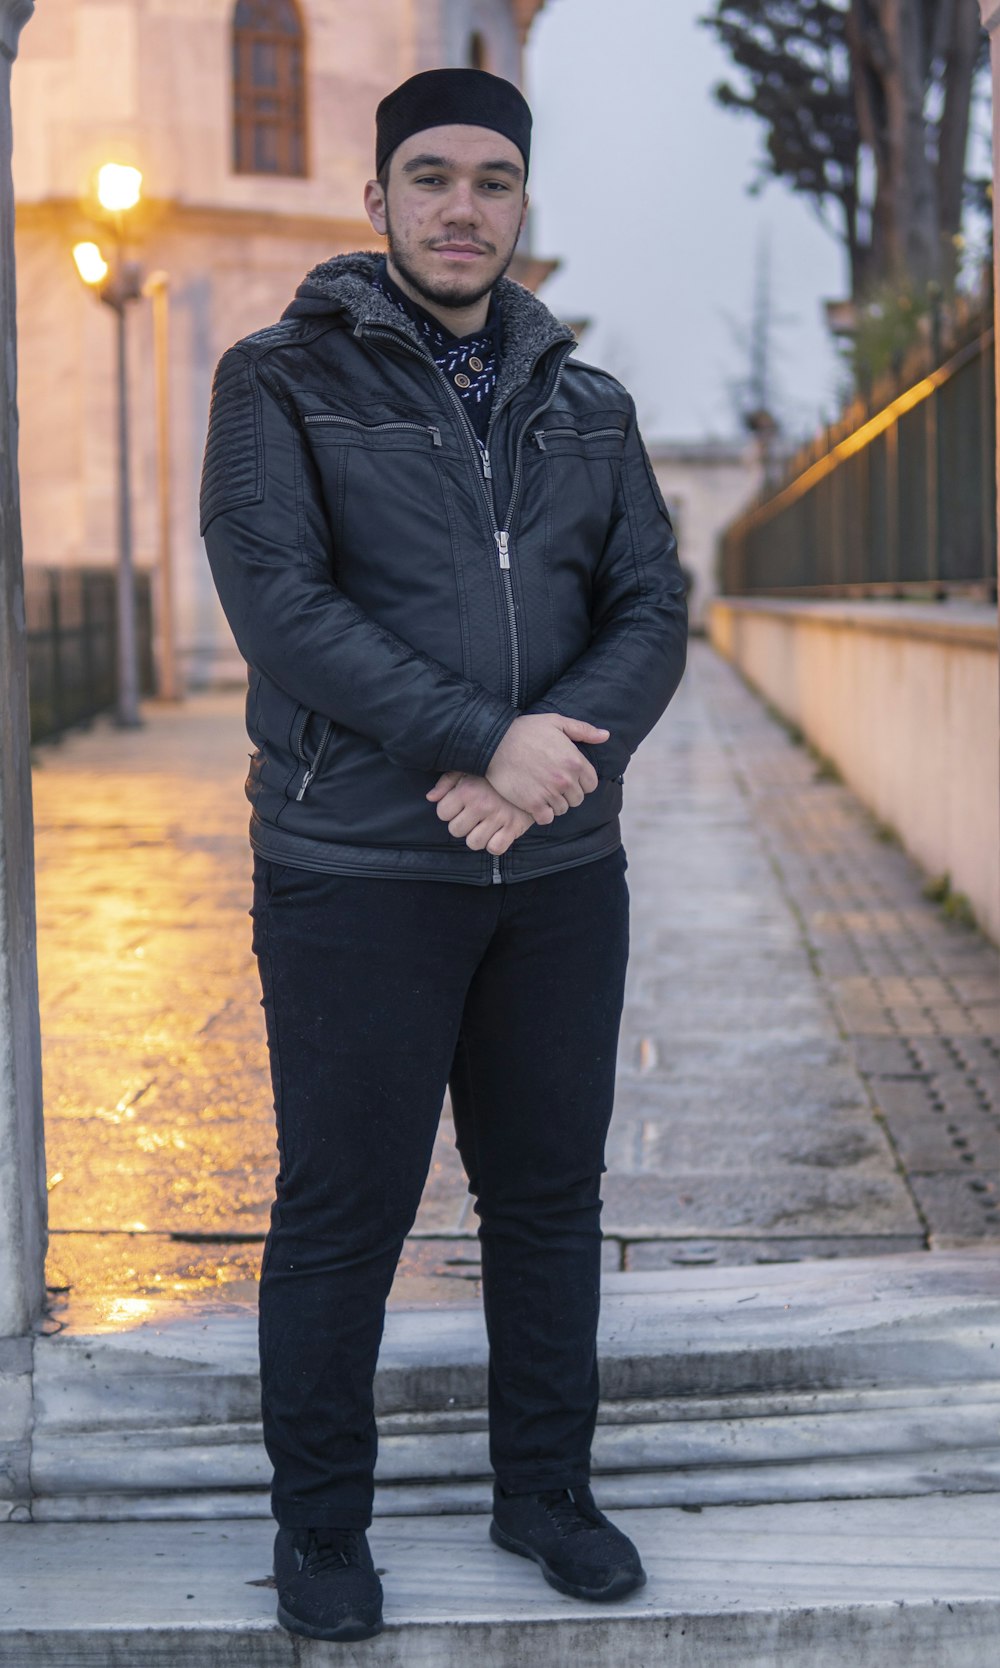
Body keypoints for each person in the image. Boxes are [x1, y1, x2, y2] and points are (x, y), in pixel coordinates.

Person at [201, 66, 687, 1644]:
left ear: (521, 203)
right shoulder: (278, 380)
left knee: (546, 1198)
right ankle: (321, 1528)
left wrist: (544, 775)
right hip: (355, 870)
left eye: (492, 180)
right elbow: (284, 607)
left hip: (557, 875)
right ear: (381, 202)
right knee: (346, 1205)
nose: (462, 206)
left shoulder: (586, 401)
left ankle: (546, 1492)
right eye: (431, 178)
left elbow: (650, 612)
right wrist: (487, 739)